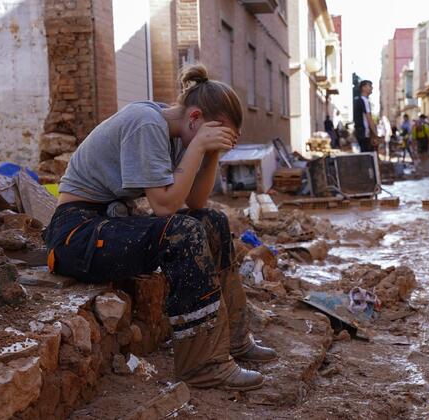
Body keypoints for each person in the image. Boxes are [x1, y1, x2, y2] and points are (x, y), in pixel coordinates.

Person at [44, 64, 277, 391]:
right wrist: (198, 146)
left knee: (212, 222)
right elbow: (164, 206)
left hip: (110, 221)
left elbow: (196, 203)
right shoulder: (146, 123)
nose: (214, 140)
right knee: (182, 232)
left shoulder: (179, 132)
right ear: (195, 118)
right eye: (215, 132)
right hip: (76, 233)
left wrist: (210, 153)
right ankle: (203, 365)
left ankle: (236, 341)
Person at [353, 80, 379, 152]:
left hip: (360, 132)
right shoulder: (364, 100)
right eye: (369, 86)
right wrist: (375, 134)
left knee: (364, 154)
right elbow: (369, 118)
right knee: (368, 155)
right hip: (364, 133)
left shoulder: (359, 100)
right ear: (363, 88)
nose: (372, 88)